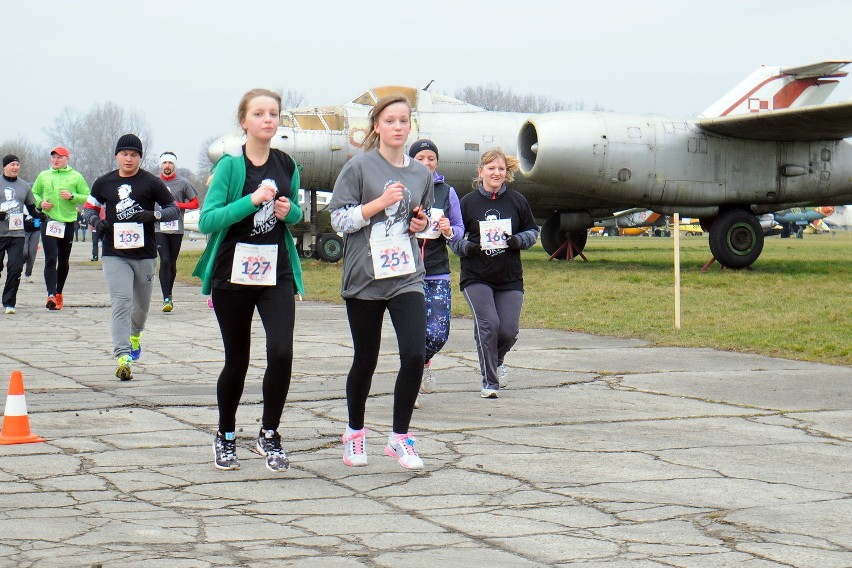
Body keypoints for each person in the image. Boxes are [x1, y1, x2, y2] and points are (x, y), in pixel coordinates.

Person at [192, 89, 304, 473]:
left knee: (282, 353)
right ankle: (225, 435)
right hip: (233, 274)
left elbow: (297, 214)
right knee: (237, 359)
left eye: (273, 113)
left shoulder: (287, 164)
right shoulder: (229, 166)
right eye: (259, 113)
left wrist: (291, 212)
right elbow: (208, 220)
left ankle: (269, 433)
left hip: (275, 272)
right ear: (244, 121)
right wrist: (252, 200)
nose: (268, 119)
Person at [328, 93, 433, 470]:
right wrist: (377, 204)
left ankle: (400, 437)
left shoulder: (421, 173)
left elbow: (423, 219)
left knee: (415, 355)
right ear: (376, 126)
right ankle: (355, 433)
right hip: (365, 276)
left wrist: (422, 225)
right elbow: (338, 221)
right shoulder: (358, 168)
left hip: (406, 275)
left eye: (404, 121)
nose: (398, 127)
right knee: (366, 359)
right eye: (390, 120)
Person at [83, 134, 179, 381]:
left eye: (134, 155)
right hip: (114, 253)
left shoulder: (151, 182)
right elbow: (89, 207)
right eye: (124, 154)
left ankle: (135, 335)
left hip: (145, 254)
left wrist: (153, 216)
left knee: (141, 308)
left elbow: (172, 209)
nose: (128, 158)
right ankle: (123, 357)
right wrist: (95, 221)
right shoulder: (104, 182)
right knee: (121, 301)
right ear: (117, 155)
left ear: (140, 157)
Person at [450, 148, 539, 398]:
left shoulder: (517, 201)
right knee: (489, 325)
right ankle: (490, 382)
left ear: (506, 173)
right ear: (481, 172)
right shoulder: (467, 202)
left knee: (508, 331)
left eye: (500, 169)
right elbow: (453, 236)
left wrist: (517, 241)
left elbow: (533, 232)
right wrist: (465, 247)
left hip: (509, 276)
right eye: (491, 168)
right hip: (476, 275)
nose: (496, 173)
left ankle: (497, 360)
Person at [409, 139, 463, 408]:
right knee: (413, 333)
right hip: (405, 272)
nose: (427, 163)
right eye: (421, 158)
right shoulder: (401, 188)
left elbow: (460, 229)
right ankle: (412, 381)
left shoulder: (447, 192)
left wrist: (448, 230)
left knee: (438, 333)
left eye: (431, 158)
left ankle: (421, 364)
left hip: (437, 271)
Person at [30, 146, 90, 310]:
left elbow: (87, 196)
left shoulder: (75, 176)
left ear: (66, 159)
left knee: (63, 261)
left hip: (68, 223)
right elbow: (34, 192)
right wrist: (40, 203)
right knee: (50, 259)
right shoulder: (44, 175)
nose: (55, 160)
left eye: (59, 158)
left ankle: (58, 293)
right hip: (49, 222)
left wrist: (72, 197)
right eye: (53, 157)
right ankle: (50, 295)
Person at [155, 151, 199, 312]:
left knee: (172, 263)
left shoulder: (183, 182)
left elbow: (195, 204)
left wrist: (178, 206)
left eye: (170, 163)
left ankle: (170, 293)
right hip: (158, 227)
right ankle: (165, 297)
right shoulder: (155, 182)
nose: (167, 166)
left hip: (176, 228)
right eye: (165, 163)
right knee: (164, 260)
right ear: (161, 165)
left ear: (174, 165)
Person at [0, 155, 37, 314]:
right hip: (0, 234)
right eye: (12, 165)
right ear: (4, 167)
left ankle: (9, 303)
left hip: (17, 234)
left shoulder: (24, 186)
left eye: (17, 164)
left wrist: (39, 216)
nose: (15, 167)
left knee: (15, 268)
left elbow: (31, 208)